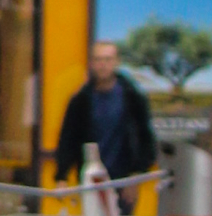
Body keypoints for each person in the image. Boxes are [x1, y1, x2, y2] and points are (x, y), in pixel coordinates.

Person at [54, 38, 157, 198]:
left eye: (108, 59)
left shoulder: (132, 97)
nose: (103, 65)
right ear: (91, 63)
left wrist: (137, 174)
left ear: (116, 62)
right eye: (98, 59)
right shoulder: (81, 100)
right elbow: (68, 137)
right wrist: (62, 176)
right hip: (90, 179)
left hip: (123, 179)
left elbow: (145, 136)